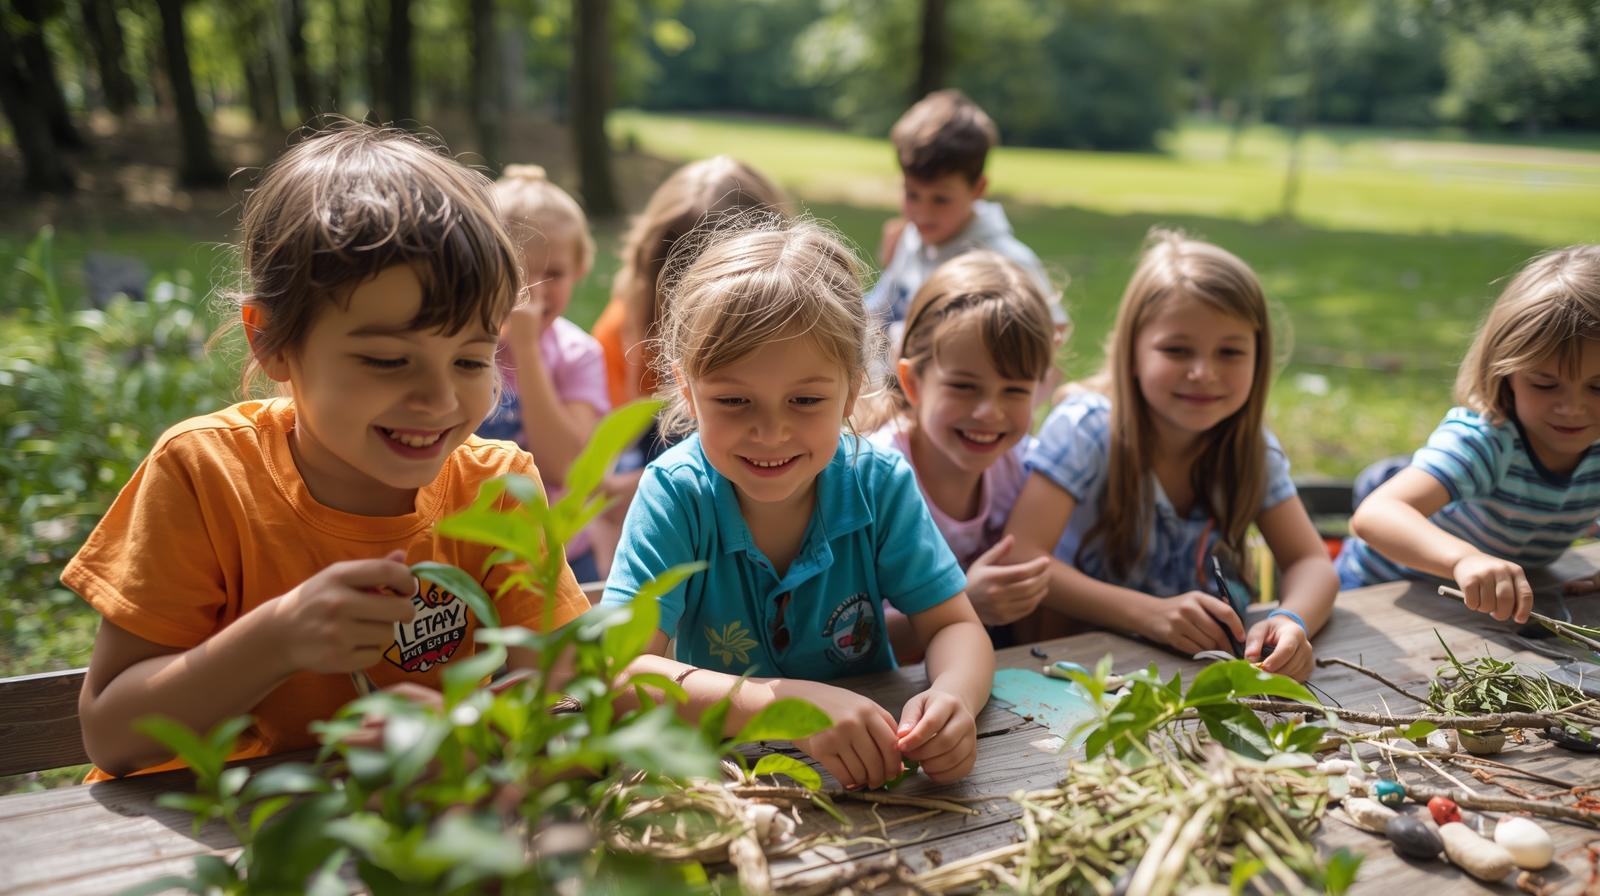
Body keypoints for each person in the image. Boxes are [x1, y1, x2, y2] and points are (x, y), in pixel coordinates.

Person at [65, 123, 591, 779]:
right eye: (388, 360)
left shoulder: (497, 489)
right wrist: (277, 640)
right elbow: (112, 735)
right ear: (271, 341)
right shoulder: (204, 475)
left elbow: (565, 697)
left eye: (470, 360)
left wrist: (462, 738)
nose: (438, 399)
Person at [603, 217, 994, 789]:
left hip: (875, 783)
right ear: (687, 390)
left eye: (805, 400)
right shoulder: (675, 495)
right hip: (725, 788)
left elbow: (955, 626)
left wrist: (953, 698)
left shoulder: (877, 483)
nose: (770, 432)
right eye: (734, 401)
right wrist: (787, 707)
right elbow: (622, 676)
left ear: (851, 390)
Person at [1006, 230, 1337, 681]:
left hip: (1198, 674)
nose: (1203, 372)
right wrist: (1149, 614)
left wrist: (1292, 620)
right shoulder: (1086, 429)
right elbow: (1022, 558)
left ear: (1258, 359)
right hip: (1074, 672)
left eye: (1230, 352)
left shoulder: (1251, 449)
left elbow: (1311, 562)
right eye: (1176, 350)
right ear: (1131, 353)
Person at [1340, 245, 1600, 625]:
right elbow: (1376, 515)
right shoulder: (1486, 440)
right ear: (1504, 373)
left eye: (1598, 387)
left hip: (1487, 611)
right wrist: (1464, 559)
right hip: (1381, 593)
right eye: (1545, 384)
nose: (1573, 408)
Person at [856, 251, 1058, 655]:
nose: (989, 412)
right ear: (913, 382)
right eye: (964, 387)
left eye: (1015, 390)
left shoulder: (1019, 467)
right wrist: (964, 606)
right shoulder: (872, 481)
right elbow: (848, 637)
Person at [476, 165, 610, 582]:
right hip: (473, 551)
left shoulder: (578, 354)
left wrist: (528, 350)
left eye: (553, 274)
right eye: (516, 271)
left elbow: (566, 467)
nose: (533, 291)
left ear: (580, 270)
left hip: (560, 554)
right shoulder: (462, 347)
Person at [865, 89, 1068, 348]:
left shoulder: (1007, 261)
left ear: (978, 189)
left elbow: (1053, 332)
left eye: (941, 199)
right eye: (912, 194)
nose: (922, 213)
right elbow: (877, 310)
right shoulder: (911, 237)